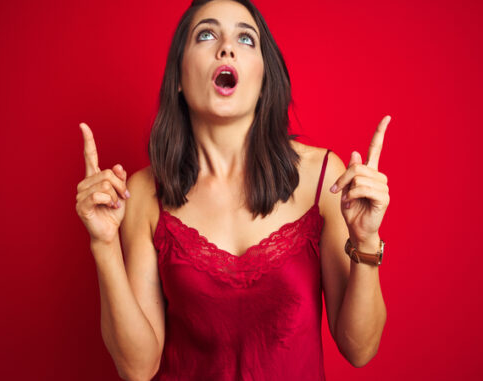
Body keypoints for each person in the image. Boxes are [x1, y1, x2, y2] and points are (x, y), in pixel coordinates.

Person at [75, 0, 391, 379]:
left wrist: (367, 238)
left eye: (245, 38)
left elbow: (360, 349)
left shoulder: (324, 178)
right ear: (178, 75)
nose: (226, 46)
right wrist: (104, 245)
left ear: (262, 79)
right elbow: (138, 369)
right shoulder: (142, 194)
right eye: (206, 34)